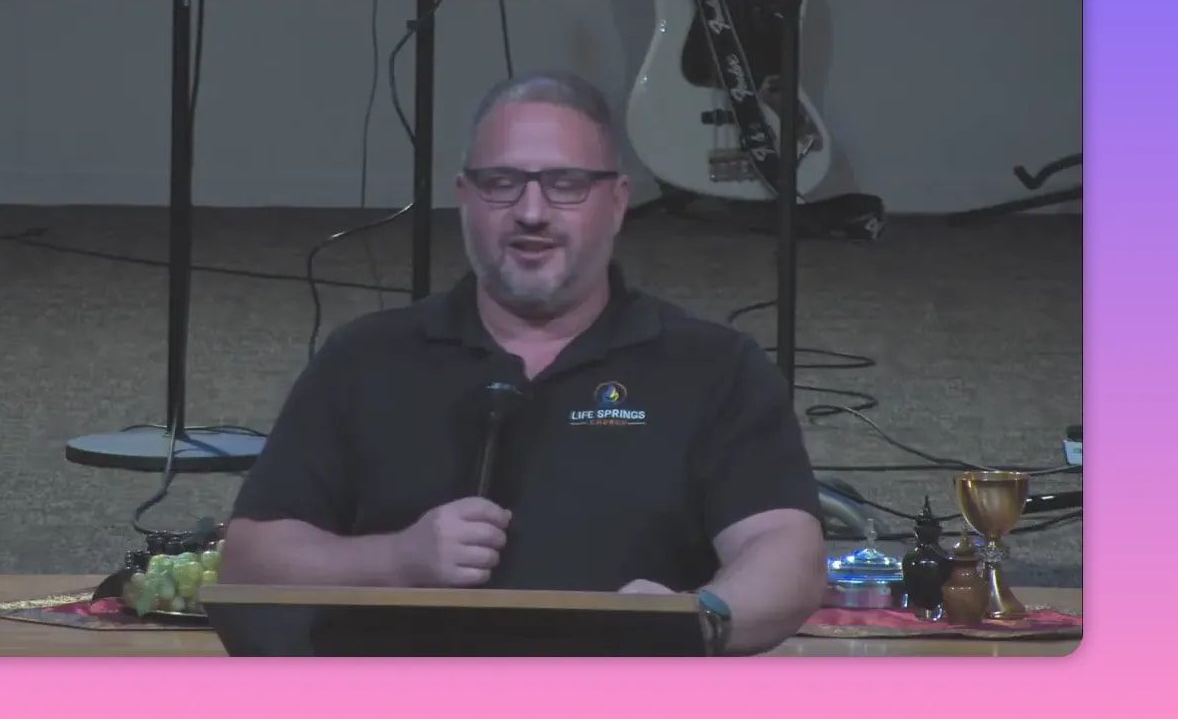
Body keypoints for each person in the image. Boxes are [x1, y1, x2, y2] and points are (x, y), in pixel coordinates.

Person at [221, 71, 826, 655]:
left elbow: (784, 547)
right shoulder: (364, 358)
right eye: (502, 183)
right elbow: (251, 558)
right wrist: (396, 559)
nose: (531, 211)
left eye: (565, 184)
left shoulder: (714, 367)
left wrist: (699, 619)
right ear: (464, 199)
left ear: (616, 203)